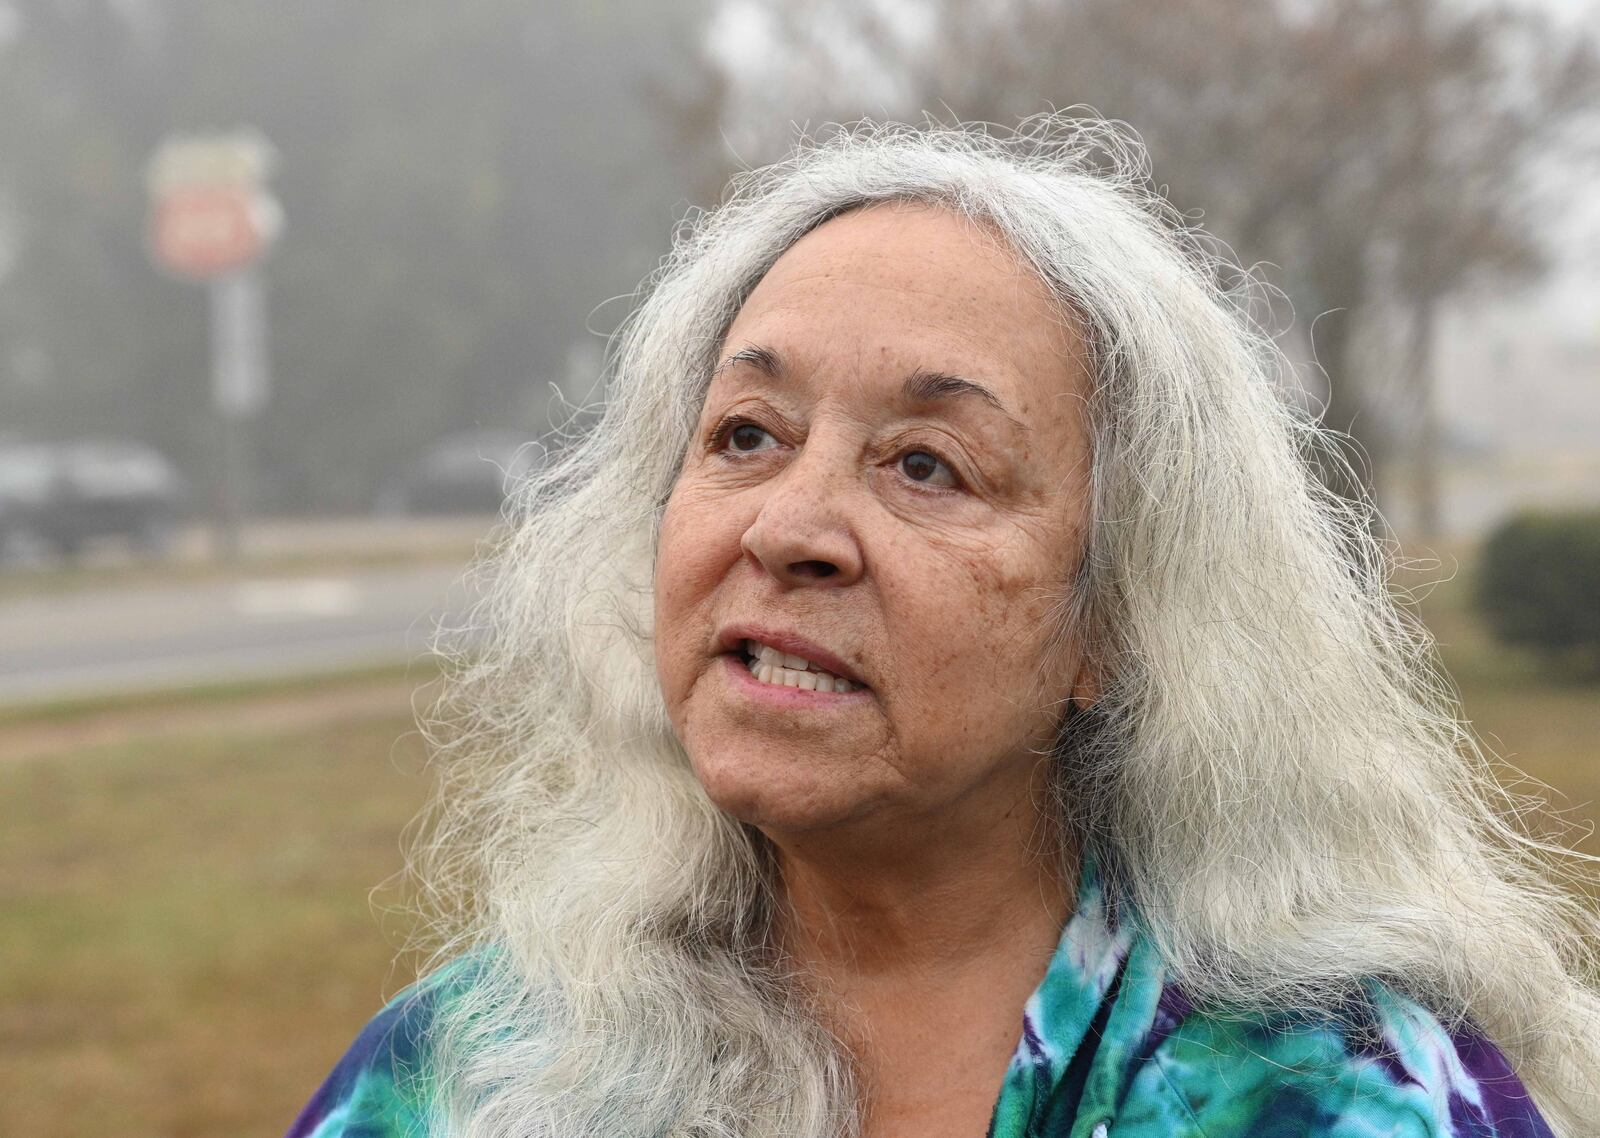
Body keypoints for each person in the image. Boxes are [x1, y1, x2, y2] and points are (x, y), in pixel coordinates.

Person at [288, 118, 1598, 1138]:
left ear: (1120, 622)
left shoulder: (1333, 1094)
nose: (792, 526)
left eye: (928, 464)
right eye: (747, 434)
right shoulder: (469, 1072)